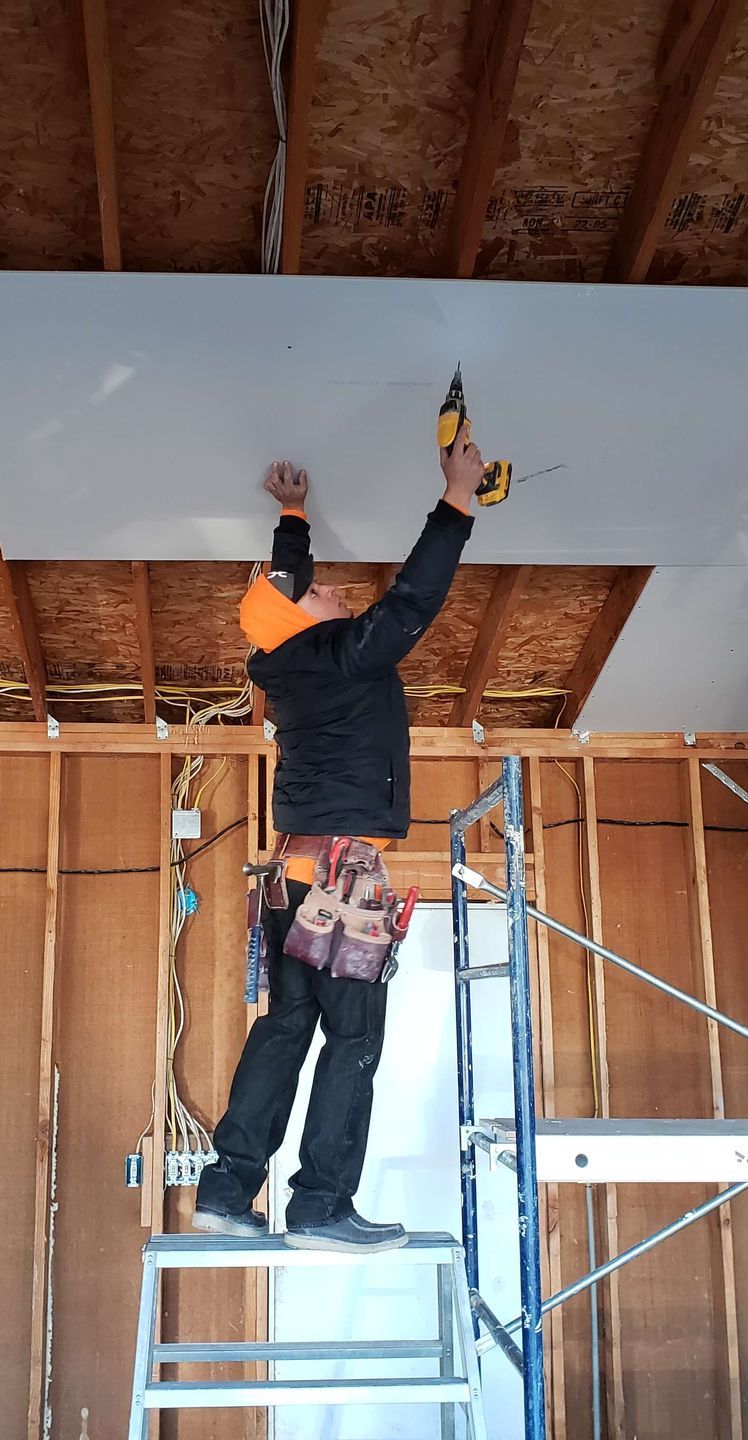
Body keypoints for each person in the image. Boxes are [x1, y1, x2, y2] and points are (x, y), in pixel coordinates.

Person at [193, 439, 482, 1251]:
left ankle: (226, 1192)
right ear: (304, 626)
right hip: (340, 881)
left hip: (292, 879)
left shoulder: (292, 666)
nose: (333, 590)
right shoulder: (344, 658)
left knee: (284, 1029)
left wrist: (292, 517)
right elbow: (412, 600)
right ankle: (320, 1206)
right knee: (352, 1039)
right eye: (320, 593)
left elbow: (283, 592)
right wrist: (456, 499)